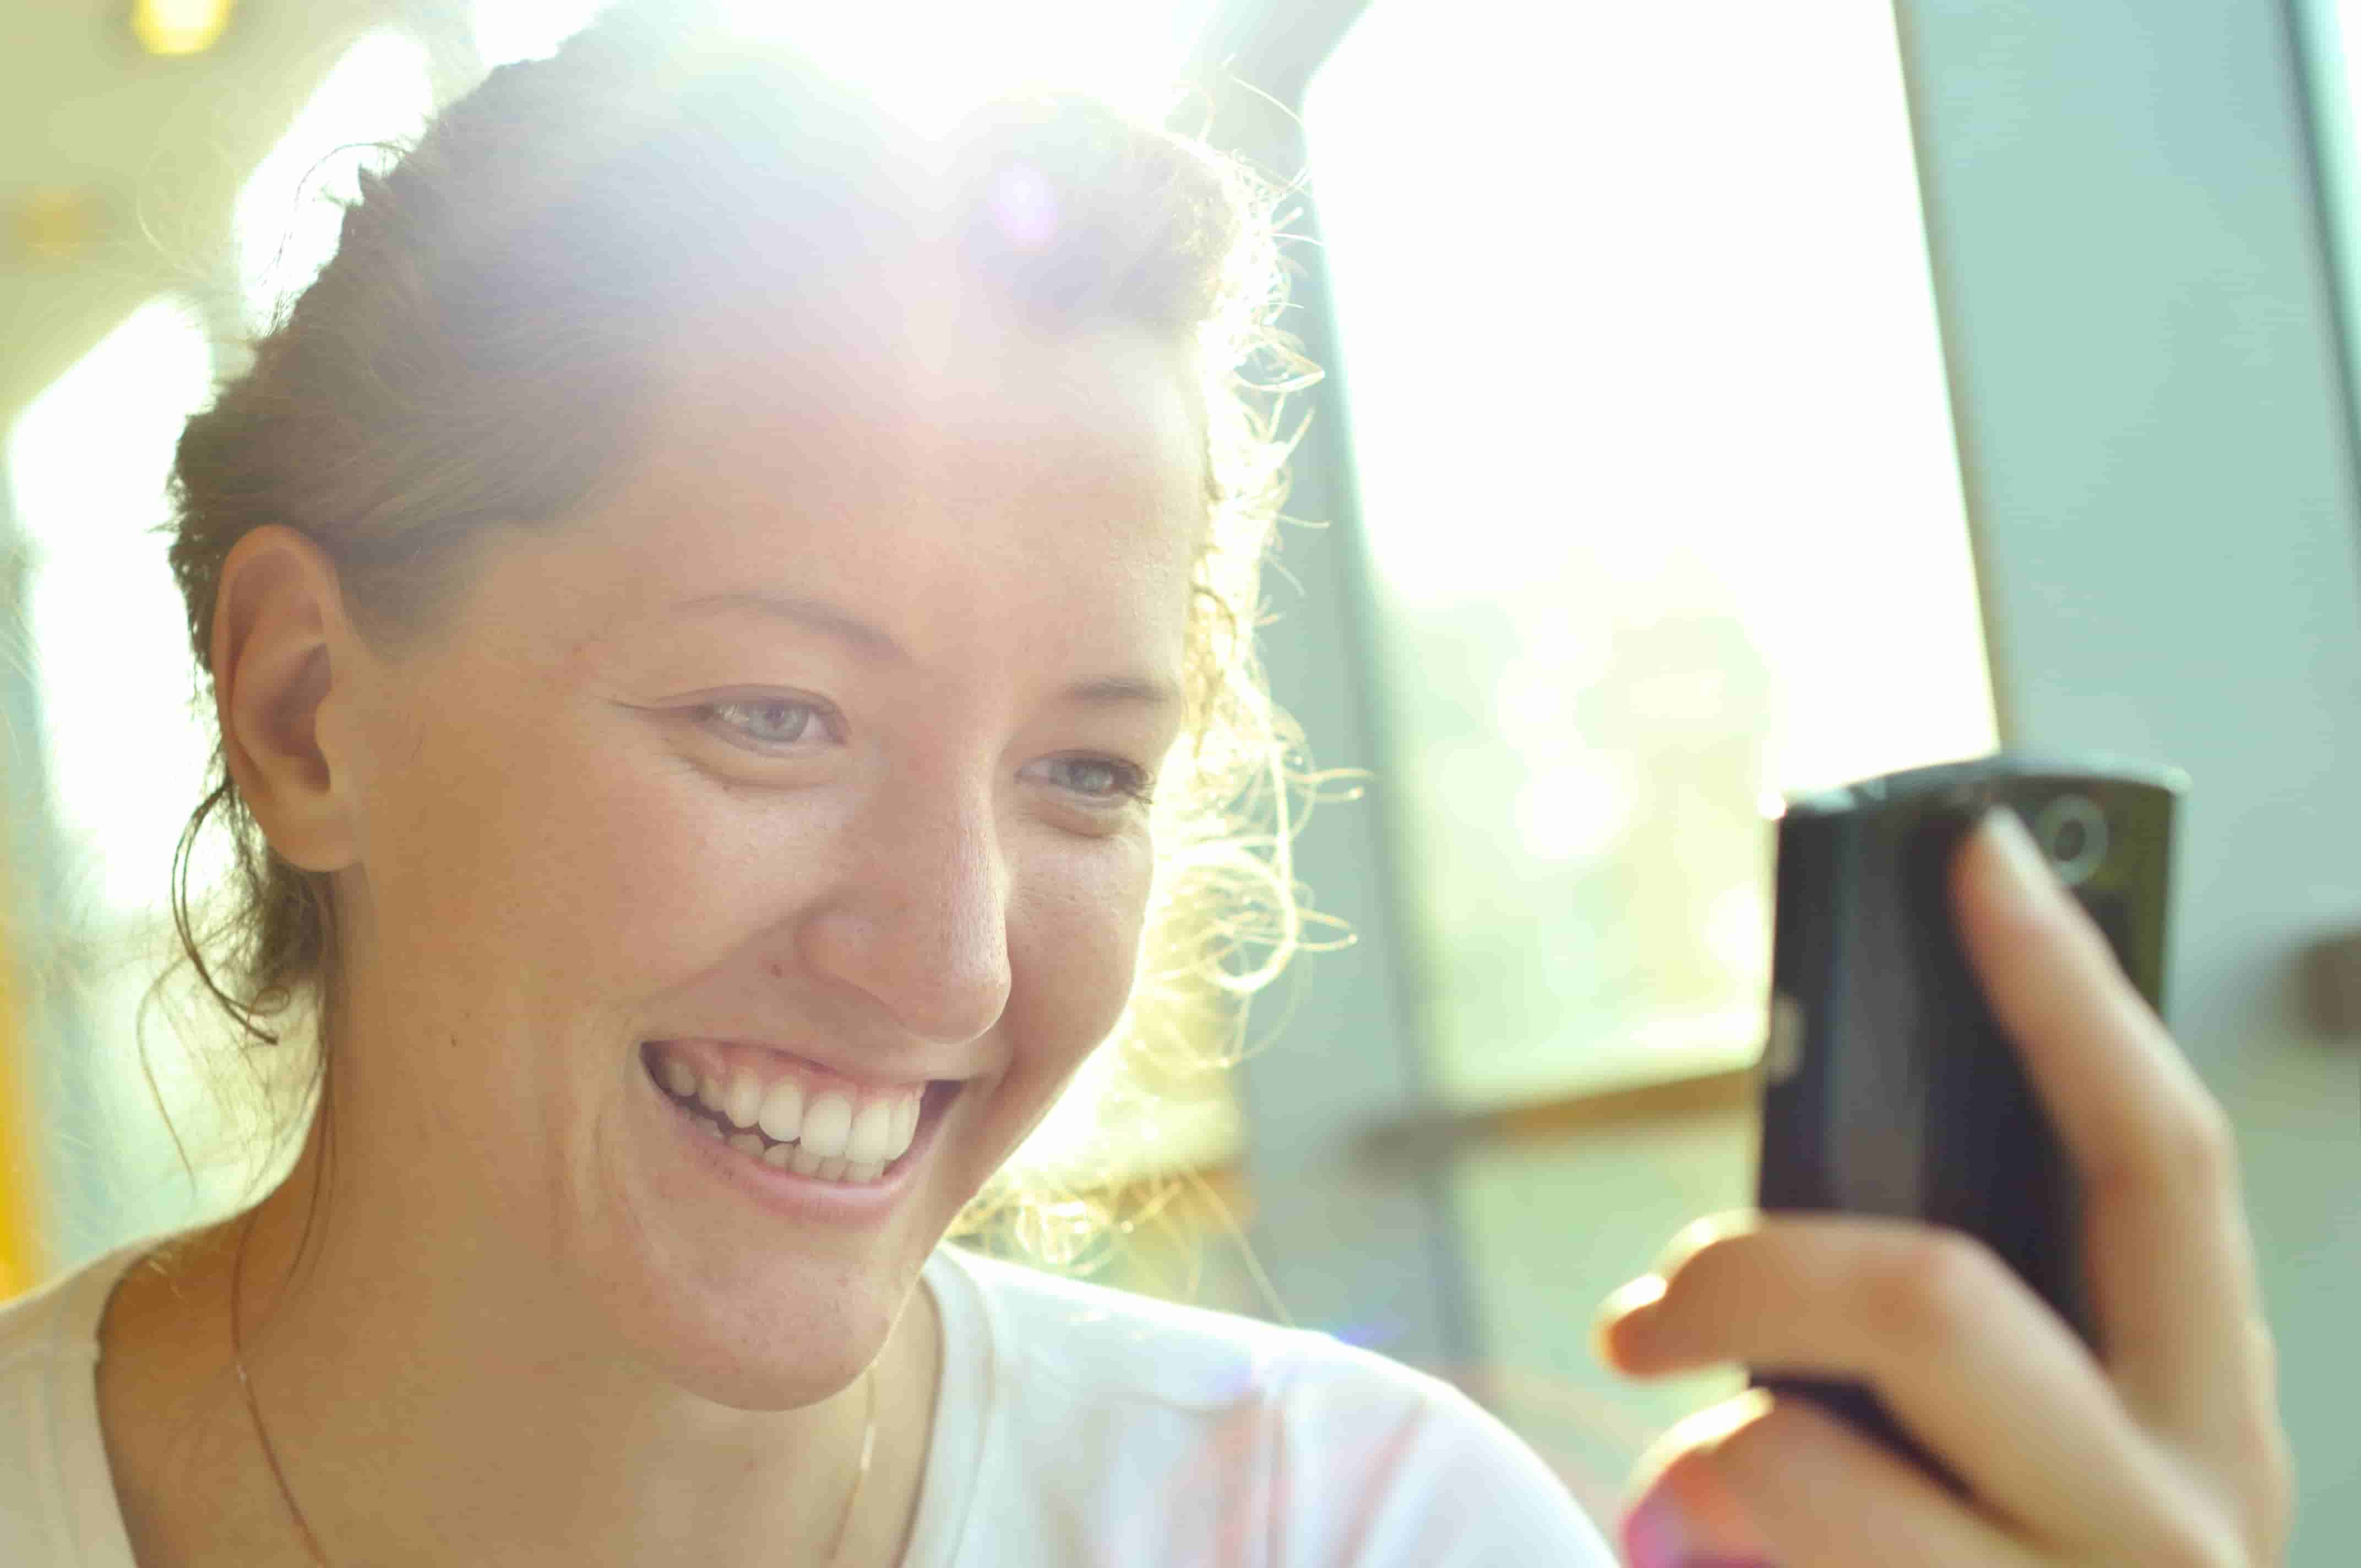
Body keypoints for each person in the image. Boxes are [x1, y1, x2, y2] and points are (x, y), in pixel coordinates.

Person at [0, 6, 2292, 1566]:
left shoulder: (1354, 1526)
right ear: (306, 707)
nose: (953, 956)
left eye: (1085, 769)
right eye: (772, 715)